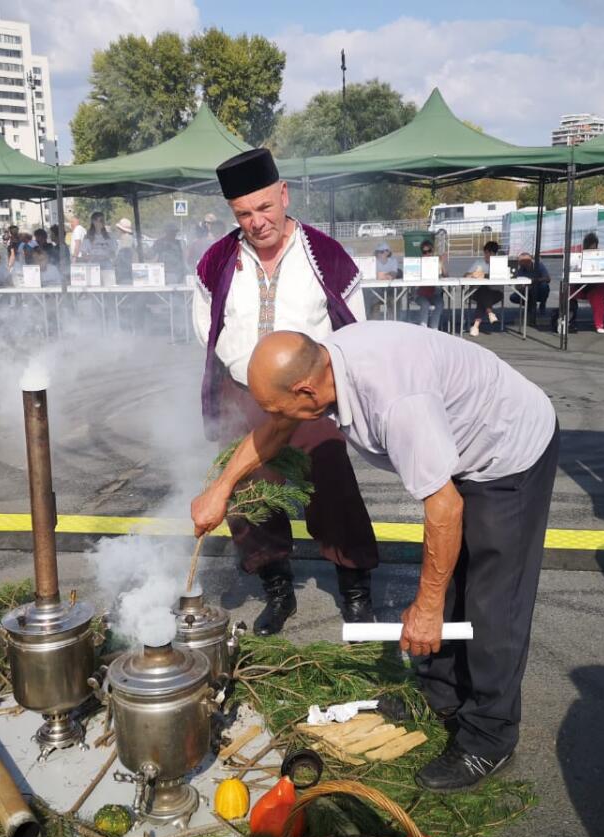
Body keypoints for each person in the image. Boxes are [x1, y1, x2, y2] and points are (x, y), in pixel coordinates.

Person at [191, 325, 559, 791]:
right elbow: (278, 428)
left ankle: (489, 736)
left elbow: (444, 509)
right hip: (456, 443)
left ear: (306, 390)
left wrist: (426, 608)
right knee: (449, 581)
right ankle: (441, 694)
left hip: (508, 452)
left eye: (276, 407)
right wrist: (220, 489)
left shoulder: (396, 402)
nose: (273, 417)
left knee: (492, 599)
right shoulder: (326, 367)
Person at [192, 147, 378, 635]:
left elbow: (354, 328)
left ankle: (355, 589)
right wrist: (241, 372)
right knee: (250, 495)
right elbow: (206, 326)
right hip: (242, 393)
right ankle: (276, 588)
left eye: (264, 207)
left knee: (332, 484)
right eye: (244, 214)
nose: (257, 222)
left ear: (284, 195)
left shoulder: (326, 256)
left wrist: (325, 390)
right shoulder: (216, 262)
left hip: (307, 395)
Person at [567, 233, 604, 334]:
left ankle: (599, 324)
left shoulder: (601, 256)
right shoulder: (579, 256)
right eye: (589, 247)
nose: (592, 249)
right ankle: (569, 320)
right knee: (567, 293)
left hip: (597, 286)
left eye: (593, 247)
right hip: (582, 286)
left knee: (598, 297)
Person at [466, 240, 503, 336]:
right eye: (486, 253)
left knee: (484, 294)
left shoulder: (500, 264)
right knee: (483, 290)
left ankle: (475, 326)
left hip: (495, 292)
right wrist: (473, 274)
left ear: (495, 254)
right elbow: (465, 275)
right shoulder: (479, 262)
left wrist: (485, 275)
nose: (487, 255)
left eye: (490, 253)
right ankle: (489, 313)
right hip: (476, 292)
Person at [415, 239, 445, 330]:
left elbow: (446, 275)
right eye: (425, 252)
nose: (427, 254)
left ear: (433, 251)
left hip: (433, 293)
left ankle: (434, 327)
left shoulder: (436, 262)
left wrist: (442, 263)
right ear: (422, 253)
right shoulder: (418, 262)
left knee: (440, 303)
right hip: (420, 294)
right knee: (425, 304)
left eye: (429, 251)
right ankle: (423, 328)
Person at [513, 251, 551, 322]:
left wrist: (534, 280)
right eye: (520, 261)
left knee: (544, 286)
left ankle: (542, 303)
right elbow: (517, 284)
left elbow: (548, 278)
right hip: (527, 289)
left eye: (523, 261)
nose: (520, 263)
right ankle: (529, 304)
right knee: (513, 297)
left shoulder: (539, 265)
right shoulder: (520, 269)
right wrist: (521, 286)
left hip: (538, 288)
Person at [113, 218, 135, 285]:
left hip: (124, 272)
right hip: (124, 271)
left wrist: (114, 261)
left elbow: (123, 256)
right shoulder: (125, 238)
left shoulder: (126, 238)